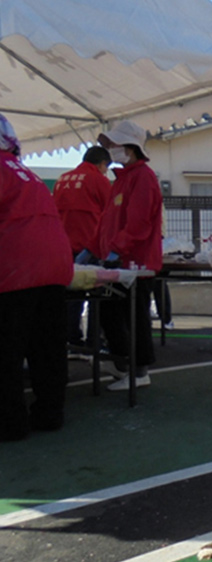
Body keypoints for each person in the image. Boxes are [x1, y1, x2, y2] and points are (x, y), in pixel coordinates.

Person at [0, 113, 74, 440]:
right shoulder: (24, 172)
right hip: (54, 265)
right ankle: (49, 413)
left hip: (16, 267)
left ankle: (10, 424)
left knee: (7, 351)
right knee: (47, 347)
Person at [96, 120, 164, 391]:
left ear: (131, 147)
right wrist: (96, 249)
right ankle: (125, 364)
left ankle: (140, 370)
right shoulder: (122, 179)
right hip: (118, 262)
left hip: (136, 263)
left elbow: (138, 223)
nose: (110, 149)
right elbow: (108, 222)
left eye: (114, 144)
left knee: (134, 317)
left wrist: (115, 249)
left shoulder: (143, 177)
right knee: (112, 314)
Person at [53, 146, 113, 352]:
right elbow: (112, 212)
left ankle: (71, 341)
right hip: (91, 247)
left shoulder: (62, 179)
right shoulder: (98, 180)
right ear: (103, 163)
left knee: (70, 296)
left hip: (64, 246)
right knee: (98, 295)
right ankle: (94, 342)